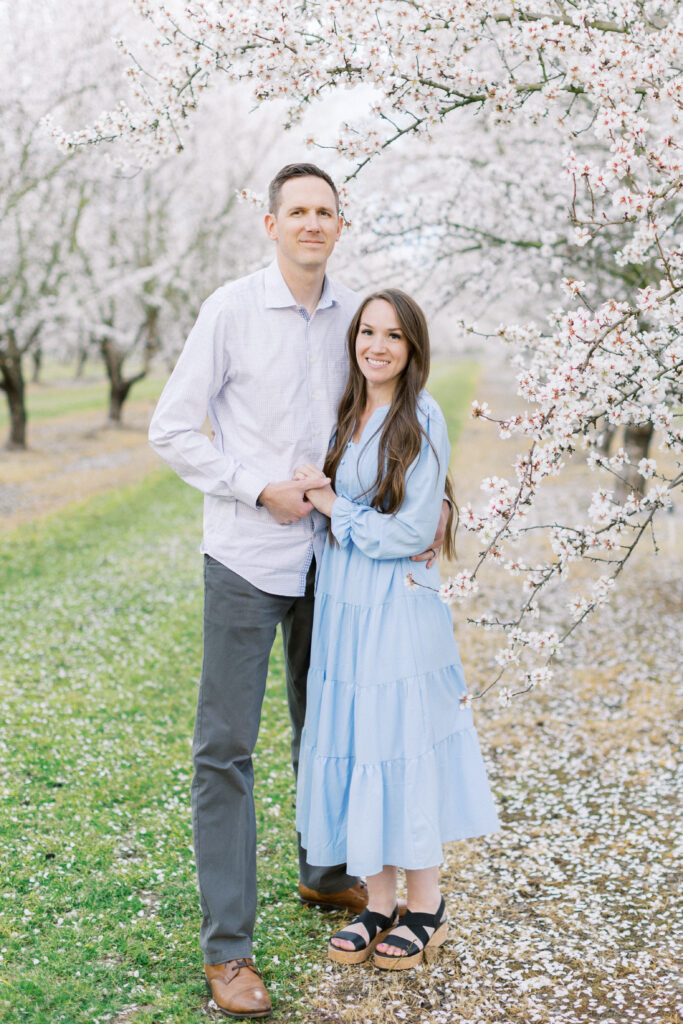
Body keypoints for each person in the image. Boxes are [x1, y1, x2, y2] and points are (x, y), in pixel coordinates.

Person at [148, 164, 449, 1018]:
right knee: (226, 750)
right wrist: (254, 487)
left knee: (330, 731)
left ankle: (326, 874)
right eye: (297, 212)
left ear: (339, 225)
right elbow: (170, 426)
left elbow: (394, 420)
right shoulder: (231, 310)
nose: (311, 224)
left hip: (334, 568)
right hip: (247, 557)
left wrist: (427, 506)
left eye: (325, 212)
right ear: (271, 223)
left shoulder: (357, 316)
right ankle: (228, 951)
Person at [294, 289, 500, 970]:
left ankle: (426, 903)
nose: (376, 346)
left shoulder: (420, 416)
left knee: (402, 740)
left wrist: (331, 506)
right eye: (366, 332)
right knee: (360, 743)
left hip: (398, 603)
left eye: (392, 336)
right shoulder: (347, 412)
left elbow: (411, 530)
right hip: (344, 608)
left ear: (412, 349)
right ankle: (378, 903)